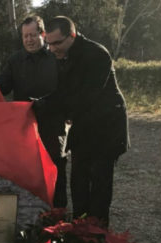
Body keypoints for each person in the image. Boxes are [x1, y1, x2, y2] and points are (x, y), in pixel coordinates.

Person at [36, 16, 130, 226]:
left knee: (99, 185)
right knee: (78, 182)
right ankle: (79, 228)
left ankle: (97, 233)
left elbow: (84, 96)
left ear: (72, 35)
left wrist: (48, 106)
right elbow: (62, 92)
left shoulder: (97, 54)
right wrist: (39, 104)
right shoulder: (63, 55)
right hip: (83, 126)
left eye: (56, 43)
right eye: (48, 43)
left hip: (106, 128)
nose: (51, 49)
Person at [0, 16, 67, 208]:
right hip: (24, 126)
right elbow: (3, 86)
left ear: (43, 34)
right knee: (25, 168)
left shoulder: (57, 57)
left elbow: (65, 90)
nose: (29, 40)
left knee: (55, 166)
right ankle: (26, 211)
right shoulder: (15, 60)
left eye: (33, 35)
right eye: (25, 36)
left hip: (53, 124)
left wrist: (44, 104)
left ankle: (58, 213)